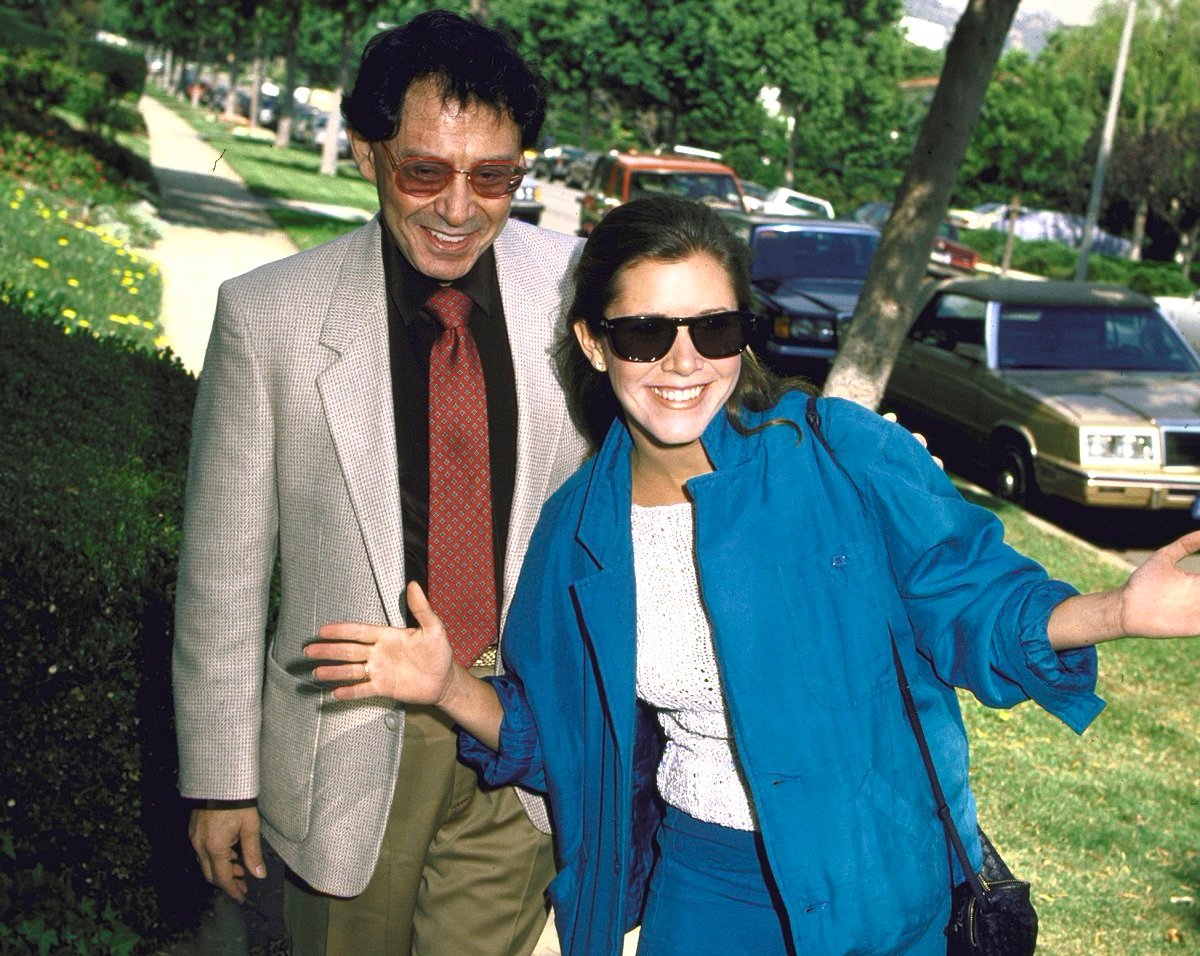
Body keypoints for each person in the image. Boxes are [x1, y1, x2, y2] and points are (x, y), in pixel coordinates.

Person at [306, 195, 1200, 955]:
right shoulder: (577, 532)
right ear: (592, 341)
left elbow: (972, 598)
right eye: (645, 332)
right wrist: (446, 686)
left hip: (878, 878)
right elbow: (564, 733)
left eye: (714, 327)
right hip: (704, 895)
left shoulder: (841, 456)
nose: (683, 361)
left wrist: (1119, 609)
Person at [173, 10, 587, 954]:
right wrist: (221, 780)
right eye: (424, 171)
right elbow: (225, 574)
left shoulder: (579, 290)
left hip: (518, 743)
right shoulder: (267, 317)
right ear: (368, 153)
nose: (459, 208)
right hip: (349, 746)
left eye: (493, 177)